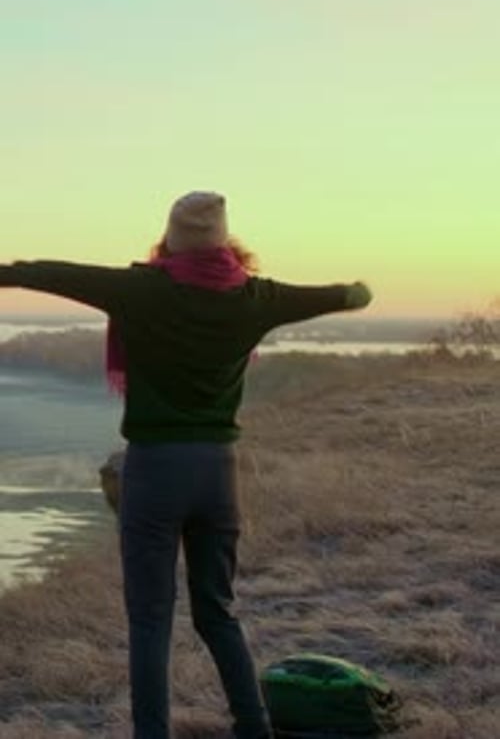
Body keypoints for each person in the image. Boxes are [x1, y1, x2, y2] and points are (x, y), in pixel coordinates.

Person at [0, 191, 373, 739]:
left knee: (150, 619)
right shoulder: (255, 296)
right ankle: (253, 727)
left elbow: (49, 273)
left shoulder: (143, 289)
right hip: (218, 475)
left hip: (154, 472)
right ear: (224, 242)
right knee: (218, 611)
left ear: (170, 239)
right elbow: (353, 295)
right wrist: (351, 289)